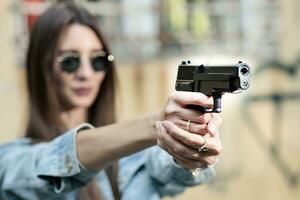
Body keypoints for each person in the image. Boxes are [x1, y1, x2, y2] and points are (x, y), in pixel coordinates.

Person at [0, 1, 222, 200]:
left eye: (98, 60)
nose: (86, 73)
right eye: (70, 61)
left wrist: (190, 151)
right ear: (43, 68)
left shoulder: (134, 155)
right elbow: (61, 157)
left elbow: (176, 173)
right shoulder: (12, 161)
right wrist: (159, 125)